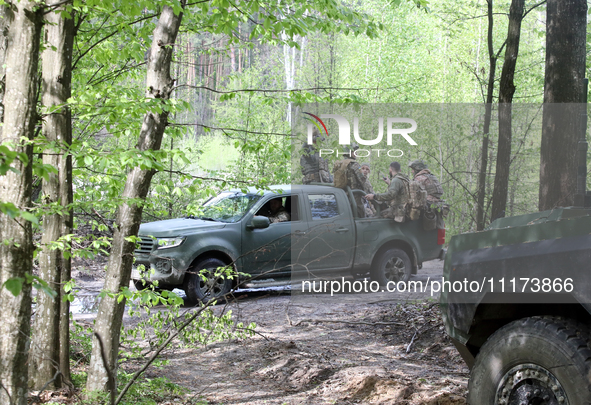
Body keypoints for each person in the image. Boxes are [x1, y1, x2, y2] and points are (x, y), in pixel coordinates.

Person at [333, 144, 367, 217]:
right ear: (349, 152)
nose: (356, 154)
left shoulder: (339, 164)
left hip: (342, 194)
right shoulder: (354, 164)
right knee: (360, 215)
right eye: (354, 152)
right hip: (355, 195)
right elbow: (362, 180)